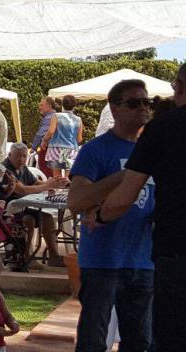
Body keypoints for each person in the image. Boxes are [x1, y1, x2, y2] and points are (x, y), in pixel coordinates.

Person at [98, 66, 186, 351]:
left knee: (172, 338)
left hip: (177, 250)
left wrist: (99, 215)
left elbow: (127, 193)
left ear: (179, 86)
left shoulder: (163, 128)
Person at [72, 79, 157, 351]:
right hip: (102, 260)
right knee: (93, 341)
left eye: (147, 102)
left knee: (139, 342)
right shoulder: (95, 150)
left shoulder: (153, 150)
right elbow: (76, 200)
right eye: (133, 103)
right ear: (114, 108)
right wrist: (127, 175)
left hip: (143, 260)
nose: (143, 108)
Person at [2, 143, 67, 269]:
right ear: (10, 155)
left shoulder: (23, 168)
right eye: (18, 156)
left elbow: (35, 182)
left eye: (24, 156)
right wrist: (47, 186)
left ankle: (53, 256)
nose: (22, 159)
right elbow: (22, 190)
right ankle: (26, 256)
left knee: (47, 218)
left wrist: (54, 184)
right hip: (10, 209)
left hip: (24, 207)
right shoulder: (6, 169)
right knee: (29, 220)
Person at [42, 94, 84, 179]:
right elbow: (79, 139)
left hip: (56, 149)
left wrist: (44, 140)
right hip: (71, 150)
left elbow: (50, 132)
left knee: (57, 177)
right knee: (68, 178)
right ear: (74, 106)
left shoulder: (56, 116)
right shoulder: (78, 119)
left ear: (62, 105)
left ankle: (58, 187)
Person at [31, 97, 57, 175]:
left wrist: (33, 148)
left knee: (45, 171)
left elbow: (41, 134)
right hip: (56, 149)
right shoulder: (56, 116)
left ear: (49, 106)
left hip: (46, 148)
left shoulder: (49, 118)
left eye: (42, 105)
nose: (40, 107)